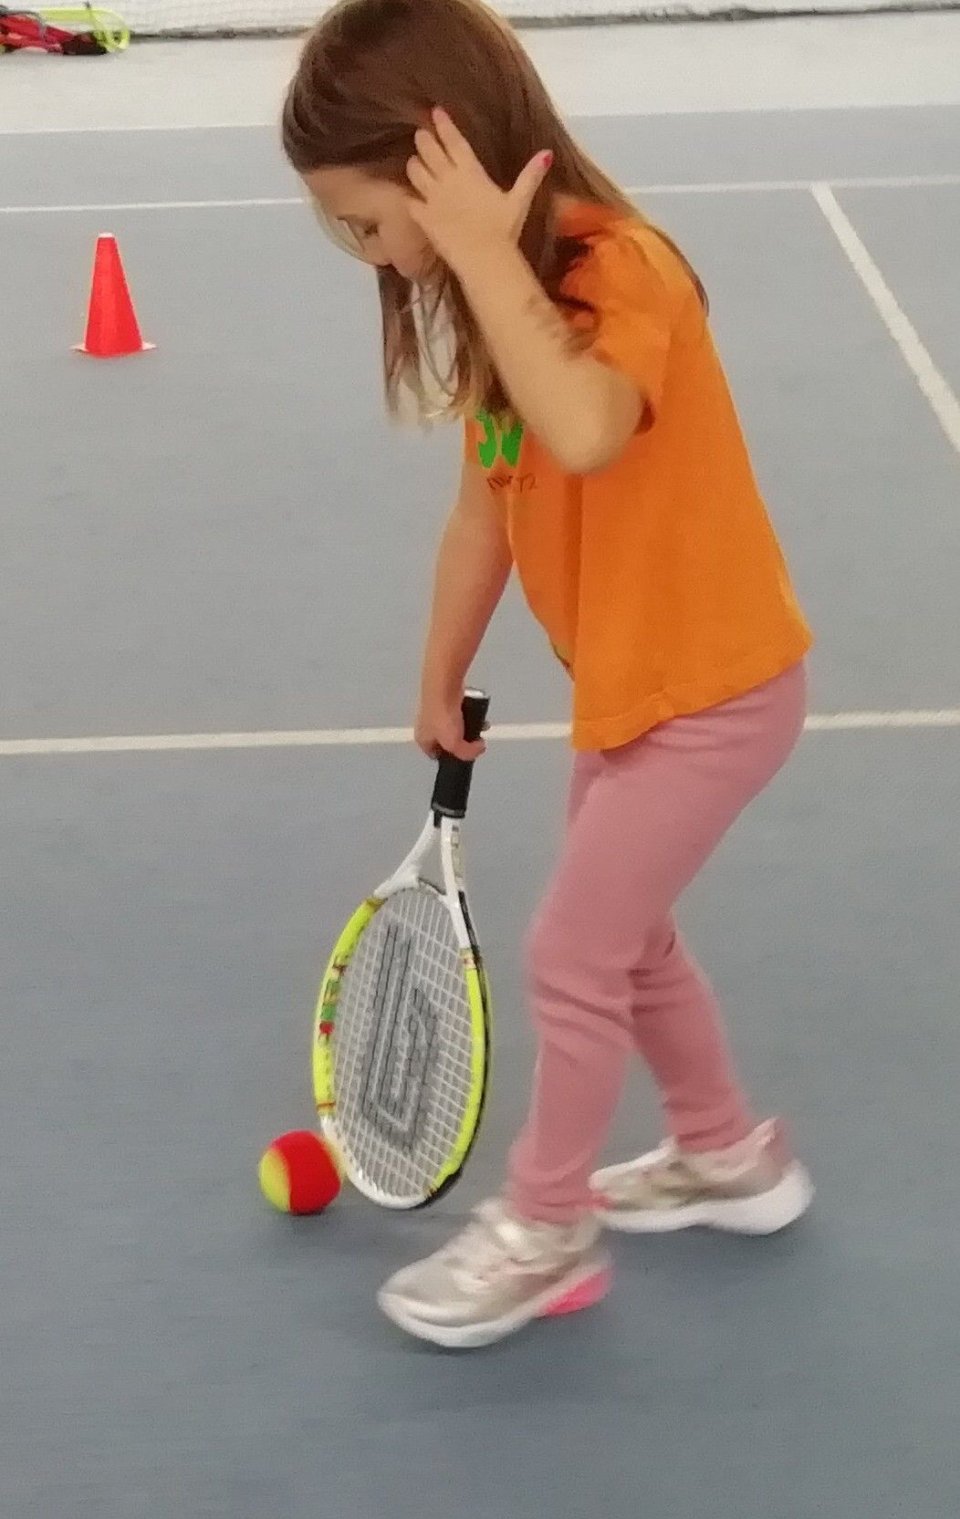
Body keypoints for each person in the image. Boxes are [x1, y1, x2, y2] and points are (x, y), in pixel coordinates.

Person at [282, 0, 815, 1350]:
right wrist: (439, 668)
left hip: (717, 693)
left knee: (574, 952)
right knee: (631, 941)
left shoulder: (623, 269)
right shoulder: (496, 303)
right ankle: (725, 1151)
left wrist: (476, 252)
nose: (368, 255)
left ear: (439, 168)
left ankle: (547, 1225)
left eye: (365, 222)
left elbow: (582, 432)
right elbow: (488, 506)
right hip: (636, 691)